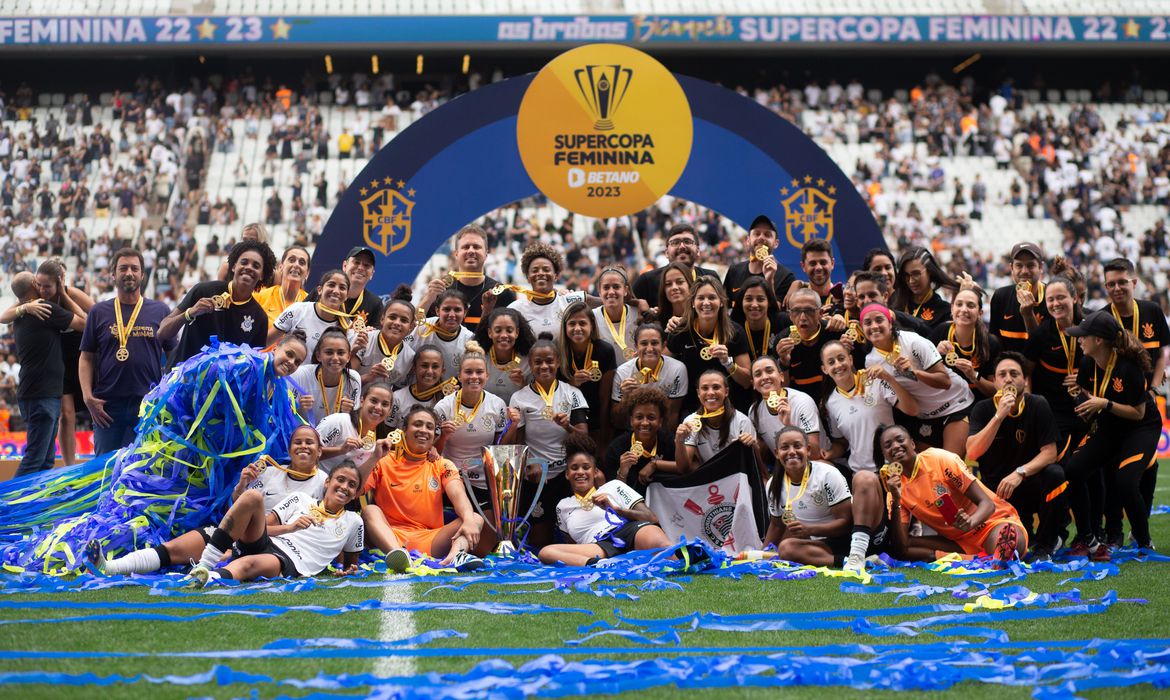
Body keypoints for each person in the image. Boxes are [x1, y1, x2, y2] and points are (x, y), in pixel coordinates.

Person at [88, 461, 365, 584]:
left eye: (351, 485)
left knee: (246, 565)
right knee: (251, 498)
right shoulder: (301, 499)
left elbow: (350, 562)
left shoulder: (354, 521)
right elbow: (264, 526)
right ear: (327, 482)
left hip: (289, 560)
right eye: (340, 480)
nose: (344, 487)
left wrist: (347, 570)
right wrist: (290, 527)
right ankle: (109, 567)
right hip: (257, 539)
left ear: (356, 494)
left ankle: (205, 576)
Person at [1063, 311, 1162, 558]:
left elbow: (1138, 413)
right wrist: (1086, 404)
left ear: (1099, 340)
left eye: (1083, 336)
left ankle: (1143, 540)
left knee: (1125, 481)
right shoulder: (1087, 362)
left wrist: (1104, 403)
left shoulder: (1129, 367)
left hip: (1140, 427)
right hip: (1109, 425)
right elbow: (1089, 391)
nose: (1079, 340)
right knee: (1073, 469)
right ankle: (1087, 538)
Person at [359, 405, 489, 572]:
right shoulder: (383, 461)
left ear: (434, 434)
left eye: (429, 427)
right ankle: (399, 556)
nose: (423, 430)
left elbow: (458, 495)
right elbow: (357, 490)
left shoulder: (442, 464)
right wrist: (373, 458)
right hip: (390, 536)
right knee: (370, 510)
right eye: (417, 424)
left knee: (474, 518)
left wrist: (469, 521)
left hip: (431, 539)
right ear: (404, 430)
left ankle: (454, 558)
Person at [966, 352, 1068, 560]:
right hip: (998, 493)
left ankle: (1045, 546)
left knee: (1055, 474)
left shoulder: (1038, 404)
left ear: (1026, 380)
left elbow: (1050, 453)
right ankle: (1026, 535)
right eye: (1002, 375)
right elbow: (973, 451)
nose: (1008, 379)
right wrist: (998, 416)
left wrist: (1020, 473)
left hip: (1029, 484)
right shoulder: (982, 409)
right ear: (994, 381)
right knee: (1014, 547)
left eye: (1014, 374)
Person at [878, 424, 1027, 563]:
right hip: (957, 541)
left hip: (991, 523)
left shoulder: (940, 459)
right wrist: (896, 499)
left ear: (912, 444)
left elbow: (987, 504)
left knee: (1004, 542)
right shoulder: (894, 488)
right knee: (902, 548)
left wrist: (970, 523)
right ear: (884, 454)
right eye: (888, 445)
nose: (895, 446)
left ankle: (996, 553)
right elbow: (901, 544)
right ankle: (970, 559)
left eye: (900, 440)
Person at [80, 248, 175, 456]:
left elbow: (173, 357)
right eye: (123, 268)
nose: (129, 273)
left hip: (148, 405)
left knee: (144, 468)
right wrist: (87, 397)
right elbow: (86, 358)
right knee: (105, 469)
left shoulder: (160, 311)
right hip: (107, 407)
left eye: (134, 268)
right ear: (113, 275)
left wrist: (168, 396)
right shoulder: (98, 312)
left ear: (143, 275)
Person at [0, 260, 93, 467]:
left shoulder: (69, 293)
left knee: (85, 407)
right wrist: (25, 307)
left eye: (48, 286)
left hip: (76, 355)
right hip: (55, 359)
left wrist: (65, 296)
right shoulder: (34, 300)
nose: (42, 289)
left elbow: (94, 317)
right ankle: (69, 466)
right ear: (35, 282)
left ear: (60, 282)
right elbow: (3, 316)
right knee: (66, 415)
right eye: (39, 285)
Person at [763, 427, 889, 575]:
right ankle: (850, 562)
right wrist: (762, 554)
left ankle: (858, 555)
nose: (791, 451)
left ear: (808, 450)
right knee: (786, 548)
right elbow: (776, 525)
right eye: (785, 447)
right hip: (828, 546)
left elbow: (847, 523)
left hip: (863, 535)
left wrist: (809, 529)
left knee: (865, 478)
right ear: (777, 453)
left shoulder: (826, 474)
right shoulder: (773, 485)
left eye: (797, 446)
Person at [539, 434, 673, 567]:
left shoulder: (614, 486)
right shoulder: (562, 506)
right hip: (598, 546)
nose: (580, 472)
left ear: (595, 471)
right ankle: (600, 565)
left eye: (586, 467)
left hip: (630, 531)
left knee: (659, 543)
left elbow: (651, 518)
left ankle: (676, 564)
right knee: (547, 552)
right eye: (574, 468)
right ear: (567, 474)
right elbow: (572, 544)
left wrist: (615, 509)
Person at [861, 303, 974, 456]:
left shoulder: (912, 341)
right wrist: (888, 377)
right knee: (926, 465)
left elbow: (945, 382)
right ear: (862, 328)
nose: (874, 326)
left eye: (879, 320)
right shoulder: (871, 362)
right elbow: (911, 409)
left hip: (956, 403)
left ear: (890, 323)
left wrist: (914, 372)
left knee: (949, 463)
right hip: (925, 416)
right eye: (868, 322)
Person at [510, 334, 589, 543]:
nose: (544, 366)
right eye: (538, 362)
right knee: (540, 541)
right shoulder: (519, 398)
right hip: (537, 476)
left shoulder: (572, 393)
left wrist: (567, 426)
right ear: (530, 365)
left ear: (558, 362)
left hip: (567, 475)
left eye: (549, 361)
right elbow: (518, 442)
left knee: (573, 534)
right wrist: (529, 464)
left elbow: (585, 439)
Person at [159, 240, 275, 365]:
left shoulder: (260, 318)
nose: (249, 267)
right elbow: (162, 332)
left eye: (256, 266)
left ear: (262, 275)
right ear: (234, 266)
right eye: (244, 262)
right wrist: (189, 313)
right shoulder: (203, 290)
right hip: (183, 374)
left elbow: (253, 364)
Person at [434, 342, 519, 506]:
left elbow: (499, 447)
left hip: (484, 479)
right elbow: (433, 452)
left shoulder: (497, 404)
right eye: (468, 372)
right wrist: (443, 436)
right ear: (459, 376)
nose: (474, 376)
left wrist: (513, 425)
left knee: (485, 522)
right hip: (451, 478)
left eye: (479, 372)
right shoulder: (443, 407)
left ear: (487, 376)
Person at [821, 340, 918, 478]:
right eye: (831, 362)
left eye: (841, 358)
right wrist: (830, 453)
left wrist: (888, 378)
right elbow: (842, 442)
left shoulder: (875, 380)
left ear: (850, 359)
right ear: (824, 369)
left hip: (894, 464)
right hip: (863, 472)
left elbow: (913, 410)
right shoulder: (830, 403)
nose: (838, 365)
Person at [666, 276, 752, 415]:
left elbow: (747, 381)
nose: (706, 303)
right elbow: (663, 365)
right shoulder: (680, 331)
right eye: (700, 298)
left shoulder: (734, 332)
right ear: (693, 303)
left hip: (728, 408)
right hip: (691, 409)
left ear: (721, 302)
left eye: (712, 297)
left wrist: (728, 363)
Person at [418, 224, 517, 331]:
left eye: (476, 247)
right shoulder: (440, 291)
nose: (471, 251)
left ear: (486, 254)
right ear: (456, 254)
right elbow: (414, 326)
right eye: (465, 247)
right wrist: (428, 298)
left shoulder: (502, 293)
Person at [1102, 257, 1170, 387]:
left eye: (1122, 282)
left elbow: (1160, 356)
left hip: (1149, 392)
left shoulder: (1153, 311)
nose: (1117, 288)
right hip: (1115, 395)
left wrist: (1154, 389)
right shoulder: (1102, 319)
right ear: (1106, 287)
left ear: (1134, 283)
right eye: (1111, 284)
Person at [558, 301, 616, 449]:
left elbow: (605, 398)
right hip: (565, 419)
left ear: (592, 325)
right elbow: (552, 391)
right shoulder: (557, 351)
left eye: (582, 323)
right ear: (565, 327)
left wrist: (603, 433)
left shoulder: (605, 351)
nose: (577, 328)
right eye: (572, 323)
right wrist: (571, 383)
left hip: (596, 418)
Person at [675, 369, 758, 472]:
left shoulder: (742, 421)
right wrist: (679, 441)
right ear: (698, 393)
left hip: (737, 476)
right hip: (708, 478)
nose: (710, 392)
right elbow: (683, 468)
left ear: (726, 392)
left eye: (716, 387)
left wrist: (752, 445)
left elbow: (754, 465)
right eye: (705, 388)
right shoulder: (691, 422)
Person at [502, 242, 589, 340]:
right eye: (535, 270)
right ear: (528, 277)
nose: (540, 273)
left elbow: (601, 303)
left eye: (546, 269)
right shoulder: (515, 309)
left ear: (556, 275)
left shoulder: (568, 301)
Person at [611, 319, 687, 431]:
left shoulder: (677, 369)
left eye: (655, 343)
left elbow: (672, 414)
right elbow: (617, 421)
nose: (650, 349)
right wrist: (625, 397)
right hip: (631, 430)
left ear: (663, 345)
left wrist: (664, 439)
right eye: (644, 343)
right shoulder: (623, 372)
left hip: (661, 429)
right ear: (636, 346)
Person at [231, 424, 329, 508]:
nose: (303, 446)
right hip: (259, 524)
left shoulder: (324, 481)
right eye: (298, 442)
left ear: (319, 451)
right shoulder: (267, 473)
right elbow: (237, 508)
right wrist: (241, 485)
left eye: (309, 442)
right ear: (289, 451)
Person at [604, 385, 680, 492]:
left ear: (660, 421)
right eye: (639, 417)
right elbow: (613, 493)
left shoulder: (669, 442)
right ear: (631, 421)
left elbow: (689, 468)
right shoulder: (616, 448)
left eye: (651, 417)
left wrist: (655, 464)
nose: (644, 423)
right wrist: (622, 472)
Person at [748, 355, 822, 463]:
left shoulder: (802, 401)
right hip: (786, 466)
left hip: (818, 463)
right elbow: (766, 455)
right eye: (758, 374)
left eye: (769, 371)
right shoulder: (754, 411)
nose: (764, 377)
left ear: (781, 376)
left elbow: (815, 453)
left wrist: (789, 426)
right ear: (753, 384)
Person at [773, 287, 844, 394]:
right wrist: (784, 362)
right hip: (800, 399)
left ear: (820, 313)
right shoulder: (782, 341)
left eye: (809, 311)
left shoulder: (834, 332)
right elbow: (783, 390)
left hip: (835, 395)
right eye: (796, 311)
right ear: (790, 315)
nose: (803, 317)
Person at [931, 288, 1001, 397]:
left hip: (977, 402)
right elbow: (920, 369)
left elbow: (996, 391)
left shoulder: (991, 343)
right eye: (959, 304)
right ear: (952, 309)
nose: (964, 309)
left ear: (980, 313)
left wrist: (974, 376)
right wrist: (935, 353)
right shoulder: (941, 331)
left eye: (970, 305)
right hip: (944, 400)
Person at [270, 270, 353, 358]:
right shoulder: (297, 310)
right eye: (331, 285)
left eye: (342, 288)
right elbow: (266, 342)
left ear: (347, 296)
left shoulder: (349, 327)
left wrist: (355, 349)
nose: (336, 291)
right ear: (319, 290)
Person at [633, 223, 721, 306]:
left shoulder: (711, 277)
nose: (682, 246)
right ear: (666, 253)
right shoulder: (647, 282)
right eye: (675, 242)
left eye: (687, 241)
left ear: (698, 251)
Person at [723, 214, 796, 311]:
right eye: (756, 234)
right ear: (748, 240)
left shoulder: (786, 276)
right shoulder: (734, 270)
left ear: (776, 243)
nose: (761, 237)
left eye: (767, 235)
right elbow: (724, 308)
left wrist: (769, 280)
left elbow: (776, 314)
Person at [317, 381, 394, 473]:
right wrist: (341, 450)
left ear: (389, 411)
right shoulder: (339, 422)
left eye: (385, 404)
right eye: (373, 401)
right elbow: (308, 451)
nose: (378, 407)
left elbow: (360, 478)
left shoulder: (379, 442)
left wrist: (375, 457)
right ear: (362, 401)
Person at [289, 328, 362, 426]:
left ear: (348, 356)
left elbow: (354, 422)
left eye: (341, 353)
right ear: (318, 356)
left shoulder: (354, 379)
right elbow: (284, 415)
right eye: (329, 352)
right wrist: (300, 408)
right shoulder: (300, 375)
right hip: (301, 432)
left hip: (334, 433)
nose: (335, 358)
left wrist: (349, 412)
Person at [988, 242, 1049, 354]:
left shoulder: (1051, 298)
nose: (1024, 271)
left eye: (1030, 265)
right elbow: (995, 341)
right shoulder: (1000, 296)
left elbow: (1044, 348)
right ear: (1011, 268)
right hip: (1007, 363)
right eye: (1019, 265)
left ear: (1040, 267)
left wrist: (1028, 315)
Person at [352, 285, 416, 389]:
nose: (397, 323)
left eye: (404, 320)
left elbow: (398, 392)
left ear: (411, 327)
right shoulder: (364, 338)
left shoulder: (409, 357)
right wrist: (369, 377)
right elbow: (347, 380)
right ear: (382, 319)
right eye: (392, 317)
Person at [407, 289, 475, 383]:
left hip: (447, 391)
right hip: (411, 388)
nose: (452, 315)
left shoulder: (469, 341)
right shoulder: (421, 327)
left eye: (457, 310)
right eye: (446, 309)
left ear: (465, 312)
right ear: (437, 310)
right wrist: (429, 297)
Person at [305, 246, 384, 327]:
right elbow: (302, 317)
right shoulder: (322, 292)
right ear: (345, 266)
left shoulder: (375, 304)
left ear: (372, 274)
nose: (360, 268)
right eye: (356, 262)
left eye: (366, 265)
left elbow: (377, 333)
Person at [474, 307, 535, 405]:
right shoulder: (478, 358)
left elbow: (534, 399)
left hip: (518, 411)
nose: (504, 335)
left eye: (509, 330)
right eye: (498, 330)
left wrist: (523, 385)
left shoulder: (527, 360)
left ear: (517, 333)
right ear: (490, 333)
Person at [890, 246, 957, 330]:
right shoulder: (895, 301)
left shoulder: (944, 310)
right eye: (906, 275)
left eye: (916, 274)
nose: (911, 281)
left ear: (930, 272)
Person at [389, 345, 453, 427]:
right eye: (424, 366)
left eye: (435, 367)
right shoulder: (397, 398)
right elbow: (388, 429)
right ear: (414, 368)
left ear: (442, 371)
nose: (429, 371)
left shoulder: (446, 401)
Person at [593, 267, 640, 365]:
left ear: (625, 290)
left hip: (635, 372)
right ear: (599, 291)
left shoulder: (638, 313)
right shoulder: (592, 317)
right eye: (606, 287)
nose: (611, 292)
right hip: (606, 373)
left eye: (616, 287)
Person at [254, 245, 311, 324]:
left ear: (307, 273)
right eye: (292, 260)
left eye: (302, 262)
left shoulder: (310, 305)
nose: (296, 265)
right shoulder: (260, 296)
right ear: (281, 266)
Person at [734, 276, 784, 364]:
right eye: (748, 299)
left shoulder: (783, 322)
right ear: (741, 301)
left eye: (760, 299)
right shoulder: (733, 330)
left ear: (769, 302)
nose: (754, 304)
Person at [784, 239, 840, 310]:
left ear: (832, 263)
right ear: (803, 266)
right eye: (812, 263)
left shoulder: (844, 298)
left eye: (823, 262)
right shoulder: (795, 302)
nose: (818, 267)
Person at [655, 262, 694, 330]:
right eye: (668, 284)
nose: (674, 287)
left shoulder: (701, 315)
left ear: (689, 284)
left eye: (680, 282)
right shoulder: (658, 319)